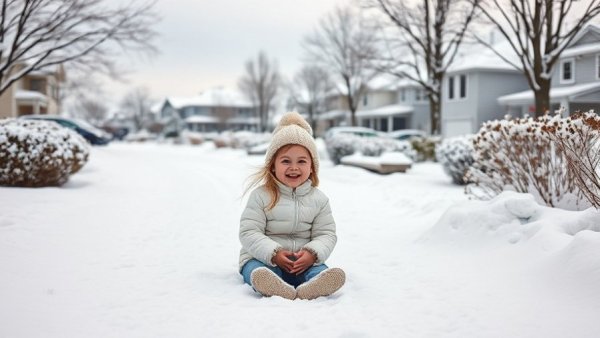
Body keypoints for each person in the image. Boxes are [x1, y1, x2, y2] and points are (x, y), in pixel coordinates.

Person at [239, 112, 345, 300]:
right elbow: (249, 232)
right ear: (273, 165)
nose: (294, 167)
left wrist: (312, 254)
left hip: (303, 262)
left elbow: (326, 234)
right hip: (264, 259)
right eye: (286, 161)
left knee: (319, 270)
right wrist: (274, 254)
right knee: (255, 269)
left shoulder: (319, 200)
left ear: (312, 166)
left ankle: (316, 284)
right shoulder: (261, 196)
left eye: (302, 161)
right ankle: (270, 283)